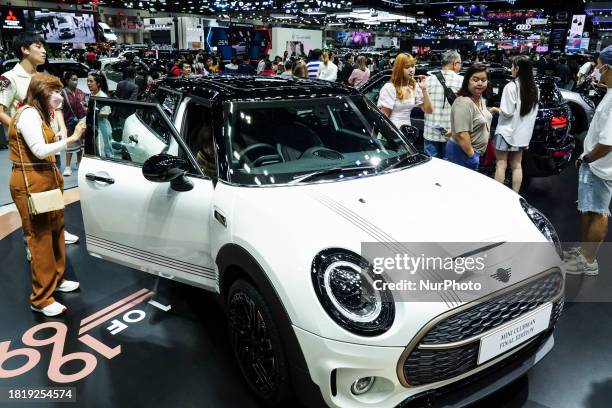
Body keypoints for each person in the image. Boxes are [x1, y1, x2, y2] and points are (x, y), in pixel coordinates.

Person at [8, 73, 86, 316]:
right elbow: (40, 150)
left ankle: (56, 280)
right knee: (40, 238)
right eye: (53, 92)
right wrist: (72, 138)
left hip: (45, 178)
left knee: (55, 230)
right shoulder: (29, 114)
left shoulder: (40, 114)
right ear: (41, 92)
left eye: (58, 91)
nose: (58, 96)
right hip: (31, 181)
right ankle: (40, 298)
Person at [0, 32, 79, 247]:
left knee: (55, 188)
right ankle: (32, 242)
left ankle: (57, 232)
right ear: (25, 50)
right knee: (32, 197)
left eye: (44, 46)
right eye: (38, 46)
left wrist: (62, 128)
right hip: (29, 149)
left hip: (52, 144)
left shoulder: (42, 77)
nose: (44, 50)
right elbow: (1, 110)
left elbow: (57, 108)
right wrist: (22, 129)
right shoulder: (10, 78)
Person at [563, 46, 612, 276]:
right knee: (589, 209)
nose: (597, 71)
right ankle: (584, 252)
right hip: (594, 164)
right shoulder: (610, 92)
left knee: (598, 212)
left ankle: (589, 261)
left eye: (599, 66)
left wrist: (587, 157)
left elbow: (608, 142)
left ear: (607, 67)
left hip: (600, 166)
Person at [493, 56, 539, 192]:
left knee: (501, 164)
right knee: (517, 166)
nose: (511, 69)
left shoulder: (511, 86)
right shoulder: (535, 88)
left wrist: (496, 109)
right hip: (522, 135)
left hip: (506, 132)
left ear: (517, 69)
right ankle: (515, 195)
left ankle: (498, 195)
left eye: (512, 66)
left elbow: (507, 112)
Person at [447, 64, 493, 170]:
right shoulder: (463, 102)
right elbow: (462, 134)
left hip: (471, 152)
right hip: (462, 152)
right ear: (467, 80)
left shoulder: (480, 98)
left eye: (484, 80)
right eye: (475, 80)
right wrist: (472, 155)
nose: (480, 83)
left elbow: (476, 117)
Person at [423, 50, 464, 158]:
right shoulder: (462, 81)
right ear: (455, 64)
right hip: (452, 134)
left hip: (430, 132)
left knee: (430, 167)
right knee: (449, 168)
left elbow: (423, 106)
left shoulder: (428, 80)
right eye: (460, 63)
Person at [377, 53, 433, 129]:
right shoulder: (390, 88)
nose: (411, 70)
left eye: (413, 66)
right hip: (392, 131)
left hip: (407, 132)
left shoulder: (414, 87)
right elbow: (384, 119)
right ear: (399, 69)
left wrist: (424, 89)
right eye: (407, 67)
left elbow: (429, 110)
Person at [61, 71, 86, 177]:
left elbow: (84, 106)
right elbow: (59, 110)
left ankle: (79, 162)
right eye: (73, 79)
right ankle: (67, 166)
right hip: (68, 123)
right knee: (70, 145)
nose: (75, 82)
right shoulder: (62, 93)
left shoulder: (81, 92)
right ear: (67, 81)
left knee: (80, 145)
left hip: (81, 122)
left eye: (76, 79)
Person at [87, 72, 112, 158]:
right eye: (88, 81)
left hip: (102, 127)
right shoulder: (92, 94)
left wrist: (89, 112)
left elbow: (106, 115)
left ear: (98, 83)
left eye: (91, 81)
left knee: (104, 150)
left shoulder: (102, 96)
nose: (88, 83)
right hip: (94, 126)